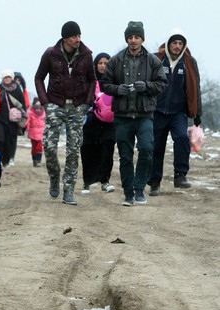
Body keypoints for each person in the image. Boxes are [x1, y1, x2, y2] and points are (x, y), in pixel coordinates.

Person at [100, 21, 168, 206]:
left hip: (145, 114)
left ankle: (140, 189)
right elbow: (105, 84)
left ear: (142, 38)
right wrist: (117, 89)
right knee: (125, 155)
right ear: (126, 39)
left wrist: (146, 86)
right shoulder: (116, 60)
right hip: (122, 115)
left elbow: (162, 84)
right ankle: (129, 193)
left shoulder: (153, 60)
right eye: (130, 37)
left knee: (146, 149)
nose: (133, 40)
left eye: (136, 37)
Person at [34, 21, 96, 205]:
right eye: (73, 36)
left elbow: (92, 80)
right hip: (55, 104)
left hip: (77, 106)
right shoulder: (50, 54)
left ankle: (68, 190)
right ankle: (54, 177)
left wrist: (87, 102)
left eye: (79, 35)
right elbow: (39, 77)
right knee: (50, 146)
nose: (77, 39)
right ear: (65, 38)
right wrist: (45, 102)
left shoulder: (86, 55)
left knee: (73, 150)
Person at [148, 29, 202, 196]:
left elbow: (195, 88)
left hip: (178, 112)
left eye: (180, 43)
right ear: (168, 43)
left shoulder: (188, 62)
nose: (177, 46)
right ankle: (154, 183)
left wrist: (197, 112)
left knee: (181, 138)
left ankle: (180, 175)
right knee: (156, 147)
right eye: (174, 43)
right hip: (157, 111)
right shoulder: (156, 59)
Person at [80, 52, 117, 194]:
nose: (103, 66)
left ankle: (105, 181)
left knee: (107, 150)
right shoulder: (88, 80)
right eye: (100, 63)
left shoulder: (115, 80)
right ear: (95, 65)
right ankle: (87, 182)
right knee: (88, 150)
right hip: (90, 121)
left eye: (106, 63)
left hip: (109, 122)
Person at [0, 69, 26, 167]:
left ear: (12, 78)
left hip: (13, 120)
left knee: (11, 140)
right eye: (5, 77)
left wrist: (22, 117)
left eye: (8, 77)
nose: (7, 79)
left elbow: (22, 103)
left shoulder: (17, 88)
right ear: (2, 78)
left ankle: (9, 159)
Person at [25, 97, 46, 167]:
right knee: (34, 147)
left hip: (41, 131)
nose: (38, 107)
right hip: (33, 131)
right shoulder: (30, 112)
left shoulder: (44, 112)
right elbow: (27, 121)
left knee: (39, 147)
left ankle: (38, 161)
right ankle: (34, 160)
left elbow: (46, 120)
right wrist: (26, 127)